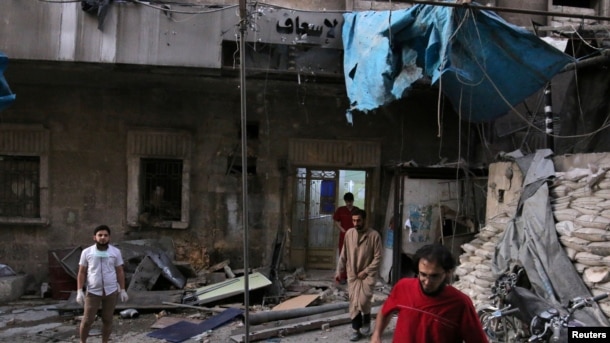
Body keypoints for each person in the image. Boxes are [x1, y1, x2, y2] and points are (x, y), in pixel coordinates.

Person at [371, 244, 488, 343]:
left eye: (434, 276)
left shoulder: (460, 304)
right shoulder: (403, 287)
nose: (427, 282)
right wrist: (376, 335)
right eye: (423, 274)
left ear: (448, 273)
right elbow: (384, 312)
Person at [76, 225, 129, 343]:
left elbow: (120, 271)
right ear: (94, 237)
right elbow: (82, 272)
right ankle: (82, 341)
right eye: (100, 235)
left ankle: (104, 342)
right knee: (87, 320)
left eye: (105, 235)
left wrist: (123, 289)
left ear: (109, 237)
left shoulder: (115, 252)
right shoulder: (87, 252)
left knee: (107, 319)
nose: (103, 238)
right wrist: (79, 291)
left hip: (111, 292)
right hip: (93, 292)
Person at [335, 209, 382, 341]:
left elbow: (378, 257)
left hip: (368, 275)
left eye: (358, 220)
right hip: (352, 274)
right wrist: (339, 270)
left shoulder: (374, 236)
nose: (356, 223)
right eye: (354, 220)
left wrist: (366, 270)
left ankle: (366, 321)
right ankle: (356, 330)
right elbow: (343, 254)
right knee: (354, 302)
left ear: (365, 220)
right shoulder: (349, 234)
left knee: (363, 300)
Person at [333, 192, 360, 283]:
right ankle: (343, 276)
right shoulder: (340, 210)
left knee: (354, 255)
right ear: (345, 201)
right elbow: (335, 220)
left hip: (354, 236)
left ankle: (352, 276)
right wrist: (341, 229)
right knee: (343, 255)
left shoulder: (357, 210)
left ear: (353, 201)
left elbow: (361, 222)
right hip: (344, 236)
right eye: (347, 202)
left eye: (350, 202)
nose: (349, 204)